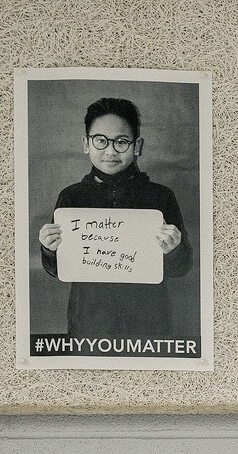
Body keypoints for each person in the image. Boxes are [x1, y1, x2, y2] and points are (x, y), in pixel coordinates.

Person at [37, 98, 192, 337]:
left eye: (121, 142)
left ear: (137, 146)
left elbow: (182, 267)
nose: (110, 151)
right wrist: (49, 249)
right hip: (89, 323)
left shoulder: (160, 198)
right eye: (100, 141)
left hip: (148, 324)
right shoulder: (71, 198)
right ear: (86, 144)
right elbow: (57, 270)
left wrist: (173, 250)